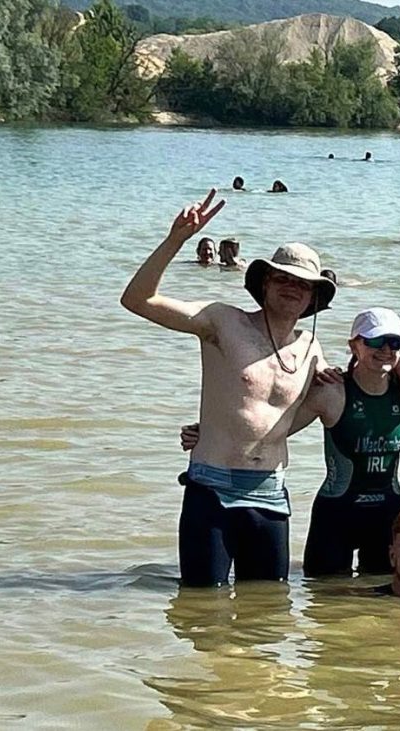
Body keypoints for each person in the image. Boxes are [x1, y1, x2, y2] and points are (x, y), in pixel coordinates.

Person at [120, 188, 338, 586]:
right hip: (212, 488)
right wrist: (176, 240)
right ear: (265, 283)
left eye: (303, 284)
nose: (292, 287)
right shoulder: (223, 322)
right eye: (282, 278)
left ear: (313, 297)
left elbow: (333, 399)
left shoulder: (311, 347)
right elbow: (137, 300)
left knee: (267, 617)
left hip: (271, 494)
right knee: (203, 611)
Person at [180, 308, 400, 576]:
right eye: (374, 341)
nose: (385, 350)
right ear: (354, 346)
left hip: (387, 514)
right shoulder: (330, 391)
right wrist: (210, 432)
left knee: (385, 607)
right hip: (336, 516)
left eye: (395, 343)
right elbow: (272, 431)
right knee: (324, 605)